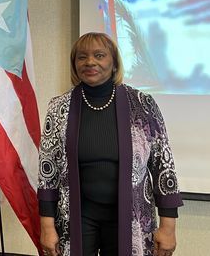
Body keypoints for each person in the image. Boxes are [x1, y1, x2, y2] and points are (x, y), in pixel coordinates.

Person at [38, 32, 183, 256]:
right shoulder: (58, 108)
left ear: (114, 62)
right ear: (74, 64)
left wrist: (168, 226)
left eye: (99, 55)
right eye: (82, 57)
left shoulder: (142, 105)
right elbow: (48, 171)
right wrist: (47, 227)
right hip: (77, 218)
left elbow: (164, 166)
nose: (90, 62)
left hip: (131, 218)